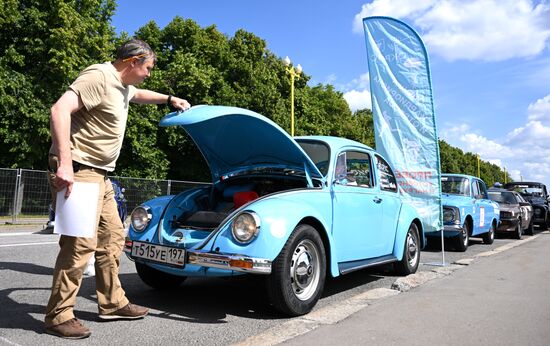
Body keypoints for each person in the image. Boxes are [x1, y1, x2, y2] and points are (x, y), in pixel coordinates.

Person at [44, 39, 191, 339]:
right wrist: (65, 165)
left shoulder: (123, 86)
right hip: (80, 169)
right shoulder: (100, 76)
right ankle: (58, 315)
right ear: (134, 61)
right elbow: (59, 110)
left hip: (101, 176)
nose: (149, 73)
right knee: (79, 245)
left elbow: (139, 95)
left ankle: (112, 303)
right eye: (148, 67)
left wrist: (169, 99)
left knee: (112, 238)